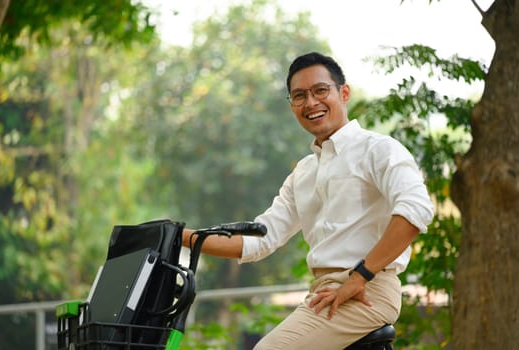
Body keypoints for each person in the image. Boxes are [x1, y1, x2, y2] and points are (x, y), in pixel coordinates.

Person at [182, 52, 434, 349]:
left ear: (344, 92)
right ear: (292, 106)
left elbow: (416, 210)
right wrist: (180, 236)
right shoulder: (303, 172)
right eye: (299, 96)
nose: (311, 102)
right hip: (323, 294)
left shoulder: (378, 149)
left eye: (320, 91)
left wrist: (360, 276)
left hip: (367, 291)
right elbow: (259, 239)